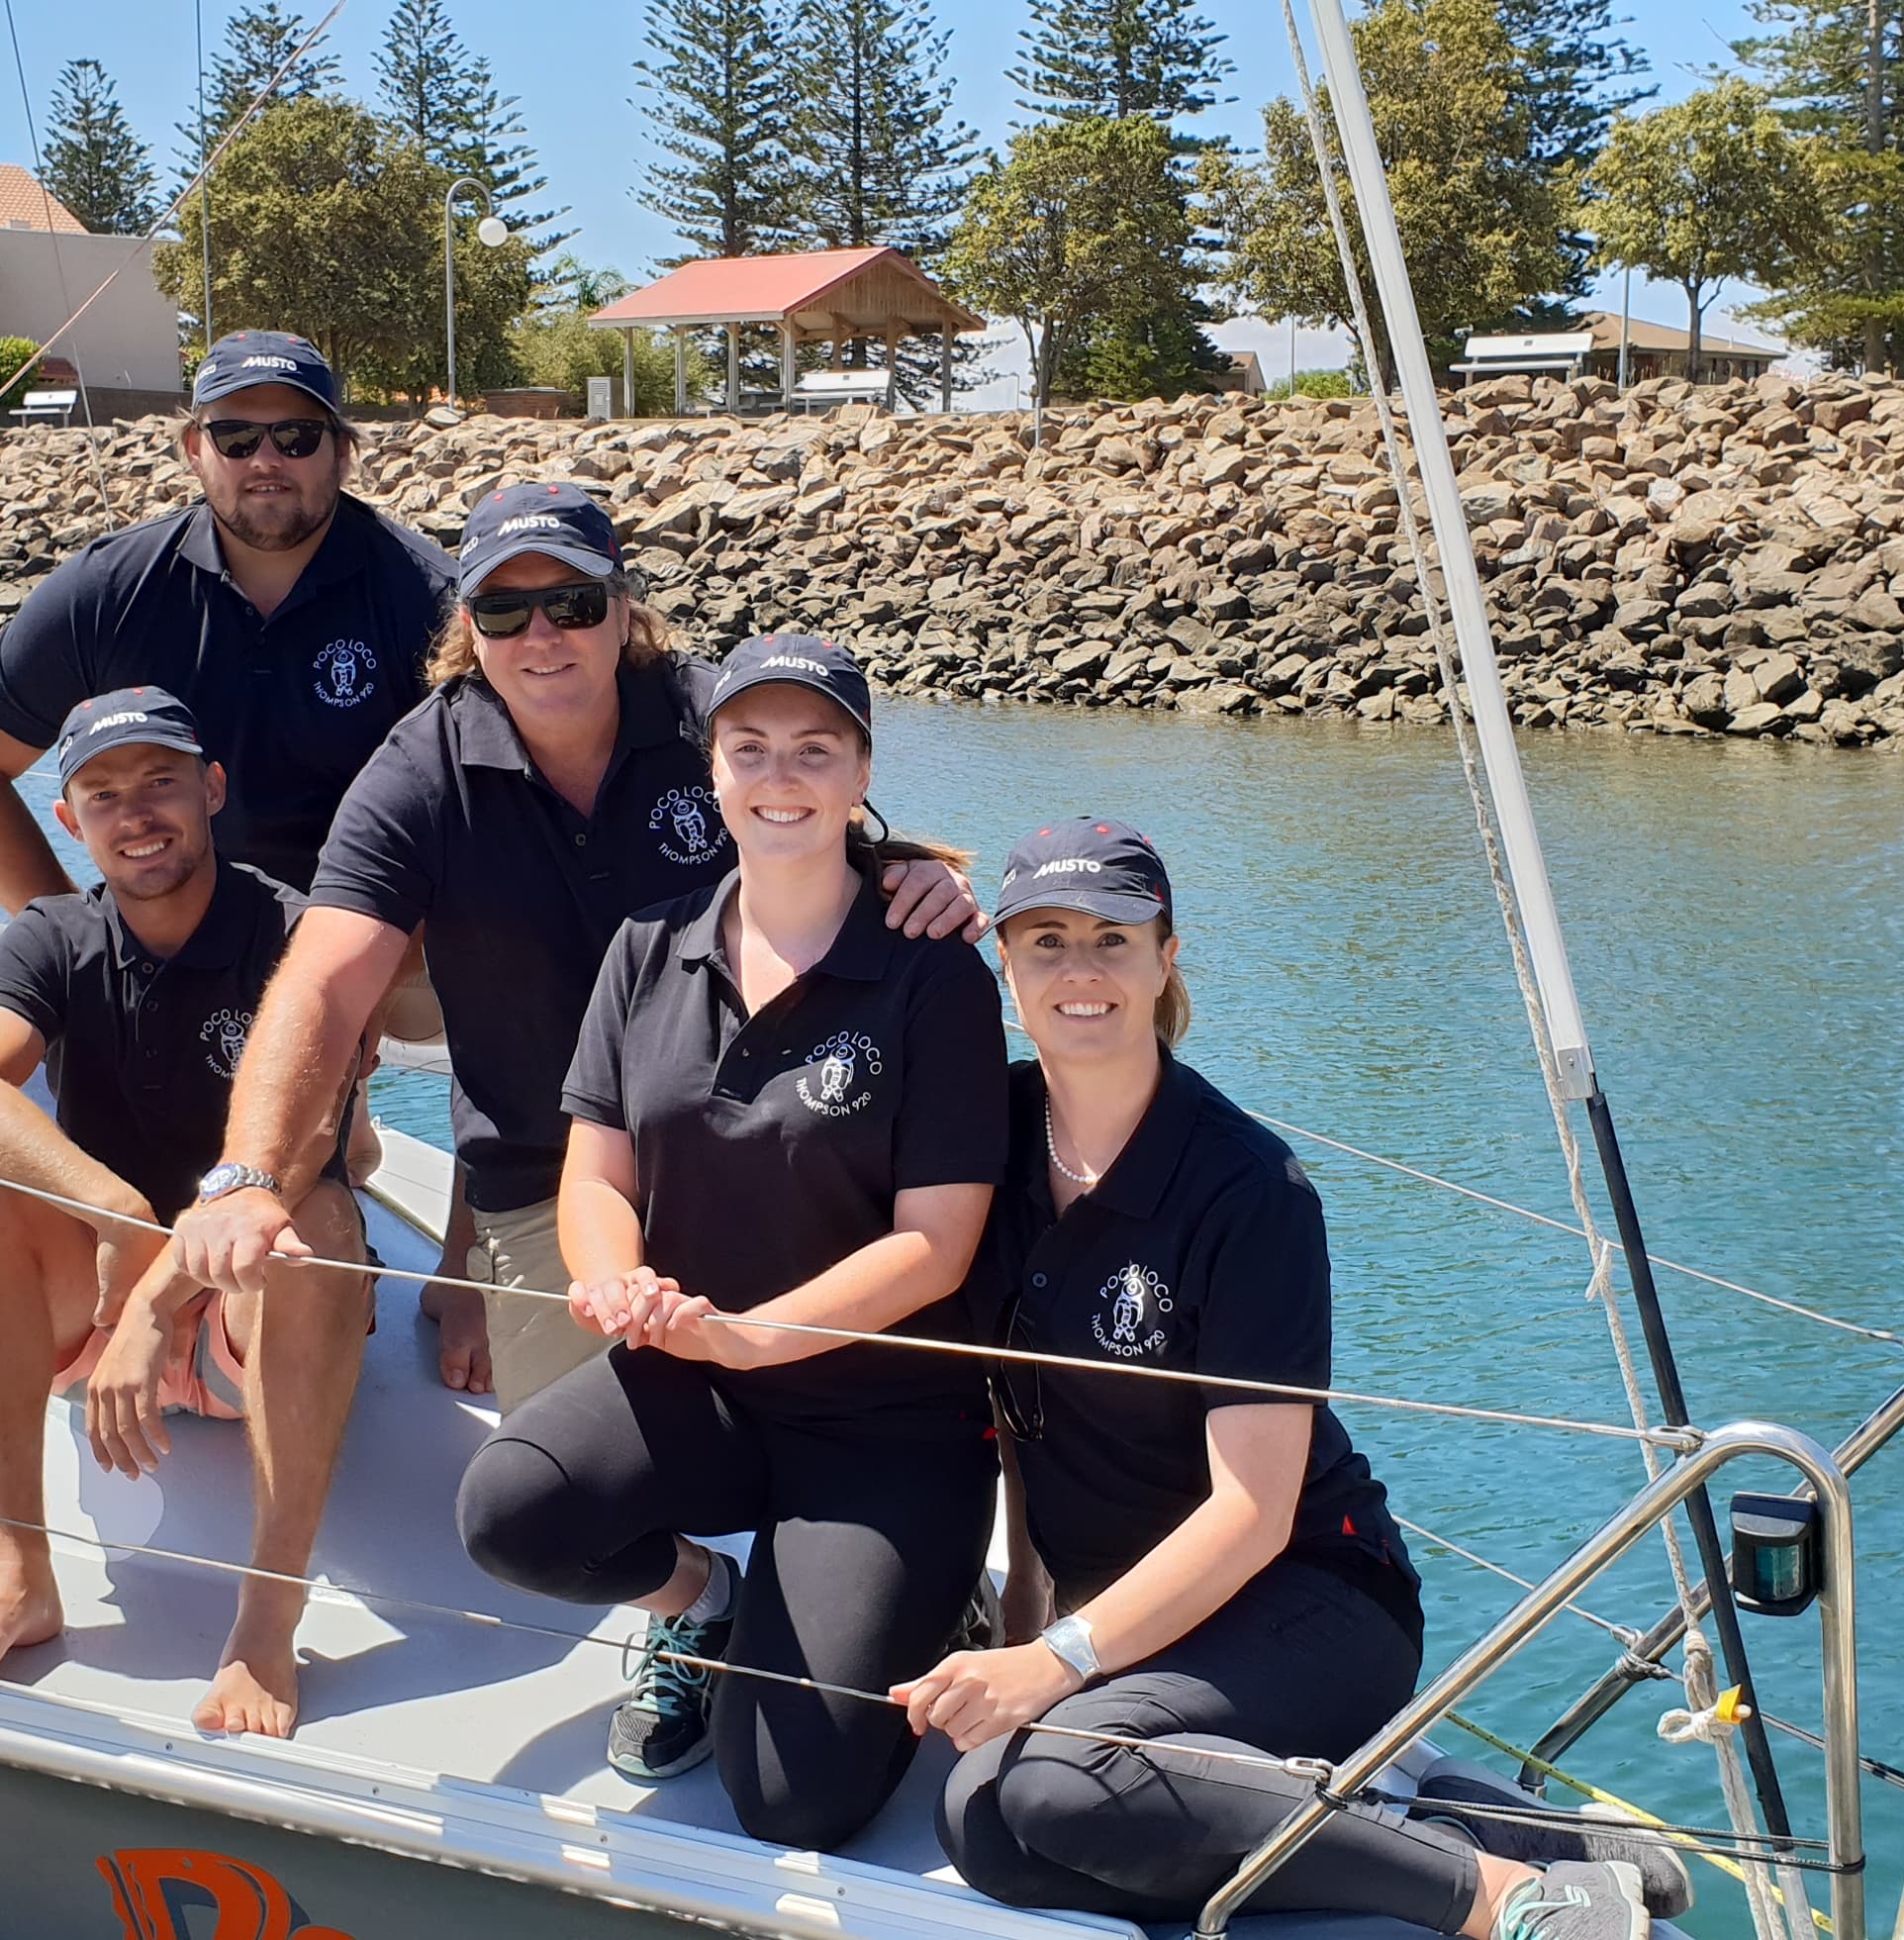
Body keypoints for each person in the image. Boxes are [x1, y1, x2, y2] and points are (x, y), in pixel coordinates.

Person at [171, 488, 982, 1772]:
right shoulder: (422, 768)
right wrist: (243, 1173)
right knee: (563, 1495)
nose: (542, 632)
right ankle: (703, 1611)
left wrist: (913, 869)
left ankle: (870, 1581)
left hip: (766, 1154)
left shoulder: (700, 714)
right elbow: (323, 984)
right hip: (561, 1181)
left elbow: (812, 797)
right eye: (505, 606)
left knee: (815, 1400)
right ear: (468, 629)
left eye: (572, 602)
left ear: (624, 612)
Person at [900, 821, 1690, 1940]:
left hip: (1312, 1599)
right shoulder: (992, 1137)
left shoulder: (1248, 1185)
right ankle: (1456, 1822)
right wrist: (1024, 1622)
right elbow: (1027, 1421)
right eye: (1046, 941)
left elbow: (1254, 1511)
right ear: (1007, 966)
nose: (1080, 971)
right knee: (985, 1826)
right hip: (1145, 1625)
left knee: (1041, 1790)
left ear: (1166, 958)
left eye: (1113, 941)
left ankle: (1507, 1900)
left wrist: (1055, 1658)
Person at [453, 635, 1007, 1840]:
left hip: (886, 1427)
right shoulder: (649, 948)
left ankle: (931, 1588)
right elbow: (595, 1171)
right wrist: (616, 1288)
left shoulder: (934, 973)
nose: (780, 775)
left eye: (815, 749)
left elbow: (941, 1243)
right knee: (507, 1511)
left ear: (862, 774)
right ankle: (703, 1602)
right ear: (712, 773)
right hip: (701, 1382)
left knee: (790, 1802)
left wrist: (762, 1338)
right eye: (749, 748)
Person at [0, 330, 488, 1387]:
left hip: (369, 941)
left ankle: (471, 1256)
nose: (266, 458)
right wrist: (79, 945)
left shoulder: (423, 599)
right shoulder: (110, 591)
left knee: (510, 932)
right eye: (237, 434)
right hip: (173, 916)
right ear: (193, 449)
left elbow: (513, 788)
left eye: (297, 434)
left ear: (343, 452)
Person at [0, 688, 394, 1738]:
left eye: (162, 782)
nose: (138, 813)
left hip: (239, 1319)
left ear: (212, 789)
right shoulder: (53, 937)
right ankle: (19, 1568)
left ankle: (266, 1617)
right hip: (106, 1303)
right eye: (104, 793)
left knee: (316, 1231)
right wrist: (120, 1213)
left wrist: (158, 1299)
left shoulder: (294, 933)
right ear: (71, 821)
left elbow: (306, 1147)